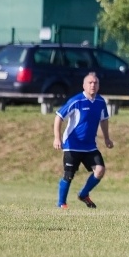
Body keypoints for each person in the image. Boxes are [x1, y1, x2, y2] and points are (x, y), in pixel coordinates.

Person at [53, 72, 113, 209]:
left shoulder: (100, 102)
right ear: (84, 85)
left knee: (100, 170)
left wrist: (107, 138)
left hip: (90, 146)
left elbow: (104, 120)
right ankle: (61, 203)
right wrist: (57, 137)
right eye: (90, 83)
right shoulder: (76, 101)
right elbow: (59, 117)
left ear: (98, 86)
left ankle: (83, 194)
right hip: (72, 145)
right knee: (69, 175)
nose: (93, 85)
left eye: (95, 83)